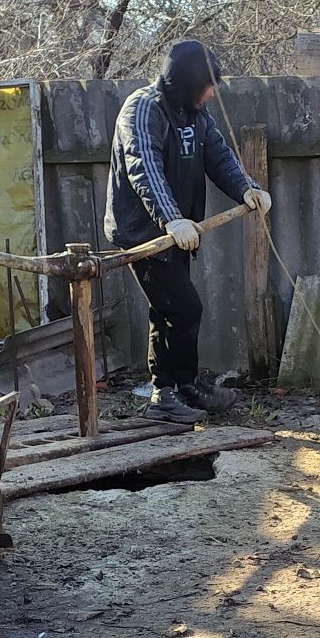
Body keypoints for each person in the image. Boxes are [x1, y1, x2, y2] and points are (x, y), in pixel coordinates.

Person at [106, 39, 273, 423]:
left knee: (170, 310)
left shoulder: (194, 114)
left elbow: (218, 155)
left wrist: (246, 187)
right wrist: (170, 219)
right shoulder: (144, 108)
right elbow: (142, 165)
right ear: (187, 81)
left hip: (180, 230)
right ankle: (165, 394)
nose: (213, 92)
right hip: (145, 233)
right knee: (181, 308)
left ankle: (182, 386)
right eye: (208, 85)